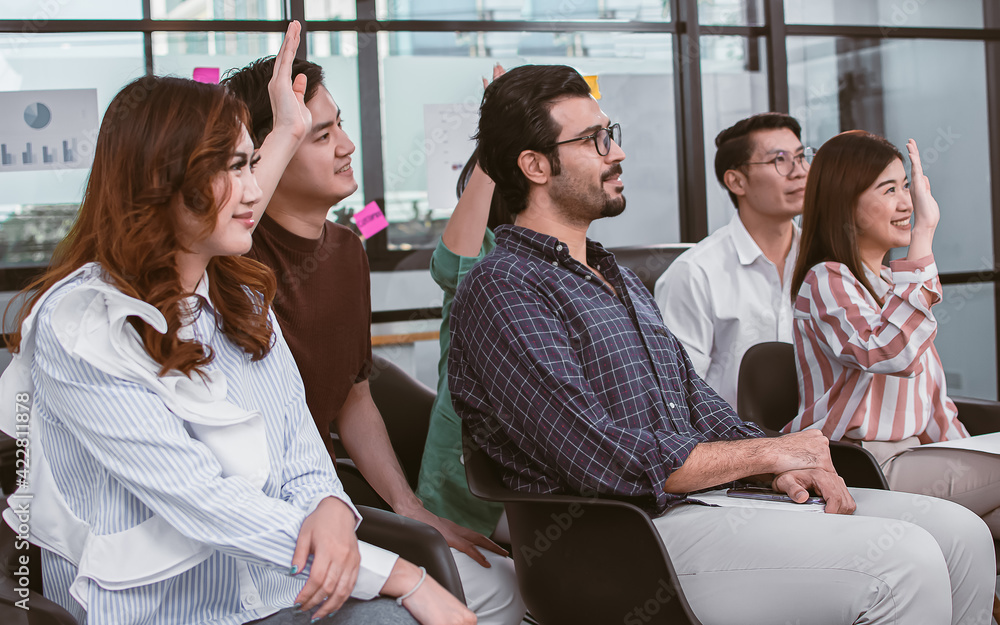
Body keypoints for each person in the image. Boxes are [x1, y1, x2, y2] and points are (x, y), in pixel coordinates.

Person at [448, 64, 994, 625]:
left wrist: (775, 463)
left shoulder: (614, 275)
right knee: (904, 563)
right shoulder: (503, 288)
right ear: (535, 165)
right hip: (620, 539)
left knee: (961, 535)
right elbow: (597, 454)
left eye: (612, 134)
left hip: (706, 503)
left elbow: (696, 402)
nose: (617, 153)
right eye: (594, 140)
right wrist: (765, 454)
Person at [0, 35, 473, 625]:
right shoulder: (79, 324)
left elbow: (298, 441)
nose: (254, 190)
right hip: (164, 610)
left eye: (253, 163)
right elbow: (199, 499)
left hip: (279, 590)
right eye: (232, 168)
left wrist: (327, 501)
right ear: (161, 183)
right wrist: (400, 574)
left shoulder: (242, 294)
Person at [222, 42, 523, 625]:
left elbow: (354, 395)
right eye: (319, 135)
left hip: (328, 500)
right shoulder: (231, 257)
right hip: (257, 519)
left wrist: (411, 508)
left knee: (505, 585)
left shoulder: (345, 250)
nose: (347, 147)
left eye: (340, 127)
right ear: (264, 156)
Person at [785, 130, 1000, 538]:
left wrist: (969, 452)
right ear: (843, 202)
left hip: (920, 457)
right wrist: (923, 235)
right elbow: (887, 353)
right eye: (889, 190)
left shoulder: (892, 284)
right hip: (865, 465)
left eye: (906, 186)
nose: (908, 203)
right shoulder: (826, 279)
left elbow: (935, 403)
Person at [415, 65, 517, 541]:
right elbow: (453, 263)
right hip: (469, 489)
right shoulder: (488, 252)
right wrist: (502, 125)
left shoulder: (576, 259)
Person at [654, 113, 809, 408]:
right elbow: (676, 396)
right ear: (736, 181)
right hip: (733, 447)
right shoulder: (695, 273)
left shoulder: (823, 262)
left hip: (823, 444)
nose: (799, 171)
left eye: (801, 157)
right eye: (780, 160)